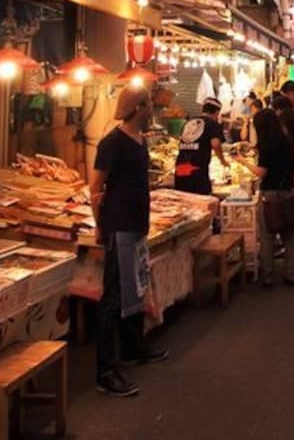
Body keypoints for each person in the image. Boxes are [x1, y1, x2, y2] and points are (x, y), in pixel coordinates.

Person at [90, 85, 169, 398]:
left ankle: (134, 348)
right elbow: (95, 187)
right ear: (138, 108)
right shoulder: (112, 142)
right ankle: (105, 370)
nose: (152, 109)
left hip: (137, 225)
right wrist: (100, 227)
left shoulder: (140, 140)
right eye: (149, 104)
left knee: (135, 287)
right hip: (119, 225)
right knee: (112, 298)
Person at [247, 109, 294, 287]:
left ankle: (267, 276)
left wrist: (242, 161)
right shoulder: (286, 141)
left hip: (270, 193)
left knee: (268, 235)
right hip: (288, 191)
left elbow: (262, 172)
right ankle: (290, 274)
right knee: (289, 235)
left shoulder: (266, 145)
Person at [174, 97, 227, 195]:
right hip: (196, 169)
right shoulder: (213, 124)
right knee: (199, 202)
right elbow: (215, 144)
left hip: (180, 167)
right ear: (216, 112)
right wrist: (222, 161)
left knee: (183, 200)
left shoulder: (188, 123)